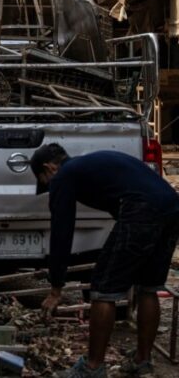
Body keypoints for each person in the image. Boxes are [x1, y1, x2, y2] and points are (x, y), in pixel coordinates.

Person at [31, 144, 179, 378]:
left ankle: (92, 368)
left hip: (142, 209)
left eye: (45, 181)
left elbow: (61, 231)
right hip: (172, 207)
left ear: (50, 168)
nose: (50, 187)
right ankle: (142, 361)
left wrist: (56, 287)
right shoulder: (90, 166)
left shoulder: (64, 176)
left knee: (102, 287)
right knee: (148, 287)